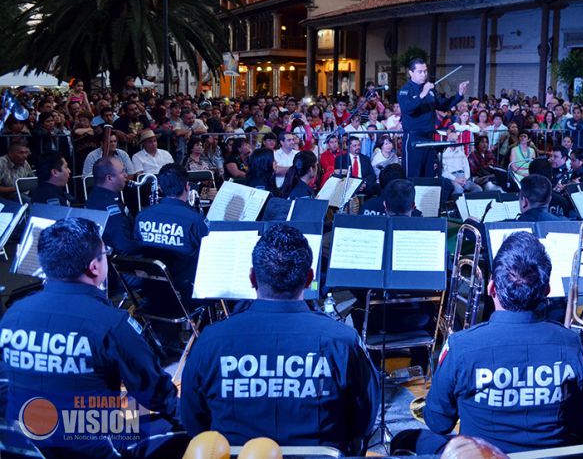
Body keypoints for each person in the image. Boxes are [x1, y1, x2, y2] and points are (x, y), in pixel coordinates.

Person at [181, 224, 379, 451]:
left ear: (252, 277)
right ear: (309, 278)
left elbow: (193, 423)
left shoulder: (210, 341)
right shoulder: (343, 342)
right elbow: (364, 421)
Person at [0, 218, 179, 458]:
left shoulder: (13, 314)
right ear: (94, 266)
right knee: (176, 433)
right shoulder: (112, 324)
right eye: (105, 253)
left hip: (24, 441)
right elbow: (155, 395)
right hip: (89, 444)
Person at [402, 232, 583, 454]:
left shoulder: (461, 346)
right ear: (546, 291)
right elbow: (577, 420)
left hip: (484, 457)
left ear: (491, 289)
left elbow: (438, 422)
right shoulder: (571, 343)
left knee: (406, 439)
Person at [134, 163, 209, 295]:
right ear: (187, 186)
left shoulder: (141, 216)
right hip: (185, 292)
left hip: (149, 291)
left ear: (160, 188)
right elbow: (208, 255)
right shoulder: (195, 220)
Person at [398, 58, 468, 178]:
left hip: (429, 138)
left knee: (429, 175)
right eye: (420, 72)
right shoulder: (405, 90)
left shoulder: (430, 90)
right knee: (413, 176)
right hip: (414, 137)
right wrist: (421, 95)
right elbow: (407, 109)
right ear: (411, 73)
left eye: (425, 71)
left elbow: (442, 105)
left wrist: (459, 94)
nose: (424, 74)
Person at [85, 157, 141, 256]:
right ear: (109, 178)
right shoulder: (109, 205)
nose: (126, 175)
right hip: (122, 263)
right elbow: (123, 246)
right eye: (122, 172)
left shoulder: (96, 196)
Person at [442, 128, 482, 195]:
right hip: (452, 178)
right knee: (459, 189)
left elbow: (466, 167)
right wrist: (455, 179)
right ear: (448, 140)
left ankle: (469, 203)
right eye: (452, 140)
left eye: (456, 140)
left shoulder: (461, 153)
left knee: (478, 189)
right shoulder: (444, 155)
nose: (454, 141)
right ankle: (455, 204)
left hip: (463, 177)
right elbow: (444, 172)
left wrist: (465, 178)